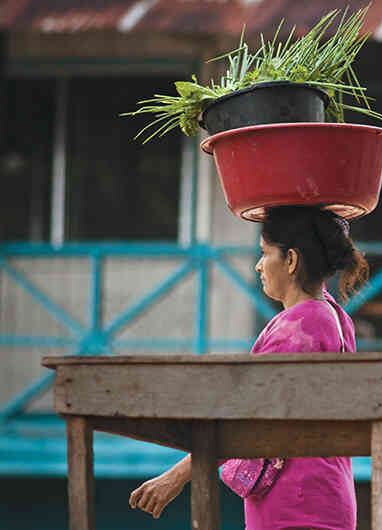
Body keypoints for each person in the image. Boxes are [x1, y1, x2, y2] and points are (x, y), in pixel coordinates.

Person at [128, 205, 368, 530]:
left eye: (265, 253)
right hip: (326, 498)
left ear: (292, 261)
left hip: (295, 506)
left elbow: (242, 419)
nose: (258, 266)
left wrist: (176, 476)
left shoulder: (298, 326)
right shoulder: (336, 318)